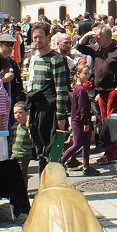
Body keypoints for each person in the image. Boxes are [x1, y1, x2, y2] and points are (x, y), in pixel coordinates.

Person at [76, 25, 117, 165]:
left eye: (98, 37)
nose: (96, 39)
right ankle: (115, 150)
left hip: (114, 90)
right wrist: (87, 35)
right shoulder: (96, 48)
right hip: (101, 90)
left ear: (107, 36)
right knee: (105, 120)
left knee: (110, 121)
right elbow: (79, 47)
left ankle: (110, 153)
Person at [26, 23, 70, 172]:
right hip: (37, 109)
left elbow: (61, 89)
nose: (37, 40)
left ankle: (55, 184)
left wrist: (61, 116)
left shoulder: (55, 59)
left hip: (50, 110)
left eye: (41, 37)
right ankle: (43, 185)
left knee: (53, 151)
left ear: (47, 38)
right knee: (41, 152)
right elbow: (32, 85)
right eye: (35, 37)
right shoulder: (35, 58)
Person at [60, 63, 97, 175]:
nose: (87, 75)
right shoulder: (80, 89)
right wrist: (85, 122)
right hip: (80, 120)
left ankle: (86, 166)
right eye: (85, 73)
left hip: (81, 119)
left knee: (86, 143)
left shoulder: (77, 88)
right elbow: (82, 107)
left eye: (88, 73)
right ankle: (61, 162)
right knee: (77, 143)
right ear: (78, 74)